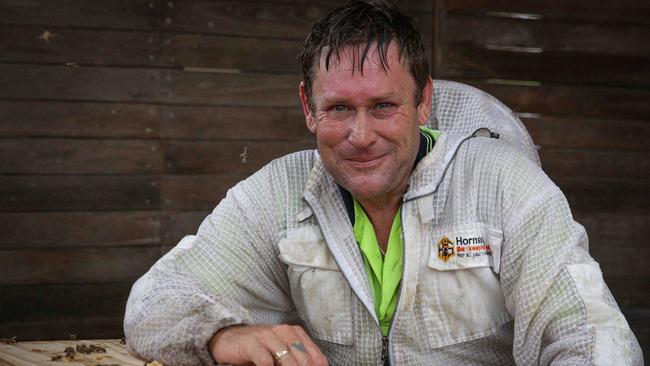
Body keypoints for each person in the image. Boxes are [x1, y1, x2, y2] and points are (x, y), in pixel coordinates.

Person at [124, 1, 643, 365]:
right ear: (308, 106)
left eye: (384, 106)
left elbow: (591, 337)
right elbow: (152, 306)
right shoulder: (277, 195)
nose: (360, 135)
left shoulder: (504, 185)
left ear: (423, 102)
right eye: (339, 108)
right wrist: (224, 335)